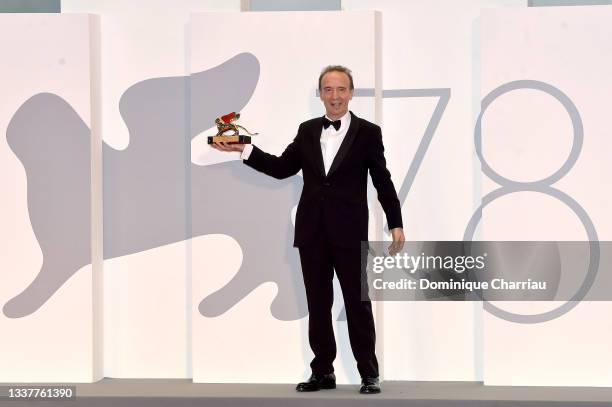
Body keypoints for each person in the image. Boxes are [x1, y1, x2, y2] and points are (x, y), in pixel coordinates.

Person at [211, 65, 405, 394]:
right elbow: (282, 167)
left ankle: (369, 373)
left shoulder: (368, 133)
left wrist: (395, 222)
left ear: (351, 93)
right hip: (312, 231)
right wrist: (243, 149)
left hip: (349, 232)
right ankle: (322, 372)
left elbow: (382, 180)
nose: (335, 96)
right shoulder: (307, 130)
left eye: (341, 89)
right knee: (318, 303)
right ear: (320, 95)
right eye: (328, 89)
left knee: (358, 303)